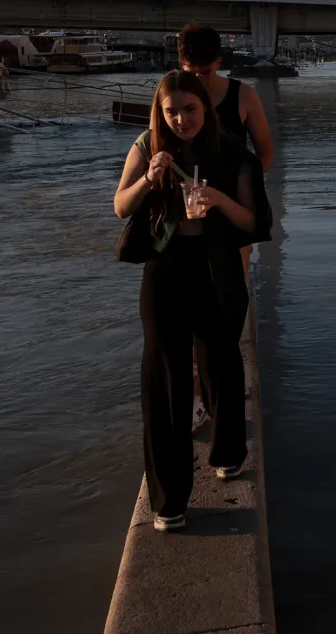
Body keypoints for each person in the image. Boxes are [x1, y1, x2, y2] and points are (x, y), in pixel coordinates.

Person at [113, 71, 269, 532]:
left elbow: (254, 221)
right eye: (171, 111)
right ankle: (169, 499)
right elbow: (120, 206)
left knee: (220, 357)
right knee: (165, 377)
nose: (181, 119)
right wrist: (148, 180)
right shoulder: (146, 146)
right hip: (166, 268)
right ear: (159, 114)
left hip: (216, 265)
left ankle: (227, 451)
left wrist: (217, 198)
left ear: (205, 107)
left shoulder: (233, 153)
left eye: (190, 109)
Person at [178, 24, 274, 172]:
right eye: (191, 74)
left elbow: (265, 153)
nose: (199, 80)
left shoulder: (244, 95)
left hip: (232, 191)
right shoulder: (170, 97)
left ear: (218, 64)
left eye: (205, 72)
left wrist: (249, 187)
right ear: (182, 65)